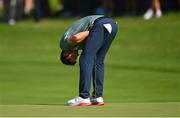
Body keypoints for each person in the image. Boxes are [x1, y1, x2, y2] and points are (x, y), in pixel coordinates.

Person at [59, 15, 118, 106]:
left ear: (66, 54)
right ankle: (97, 97)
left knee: (85, 59)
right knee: (98, 60)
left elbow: (76, 38)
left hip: (99, 24)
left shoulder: (64, 45)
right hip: (112, 25)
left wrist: (95, 32)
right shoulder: (74, 47)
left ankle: (83, 97)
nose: (77, 55)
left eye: (73, 58)